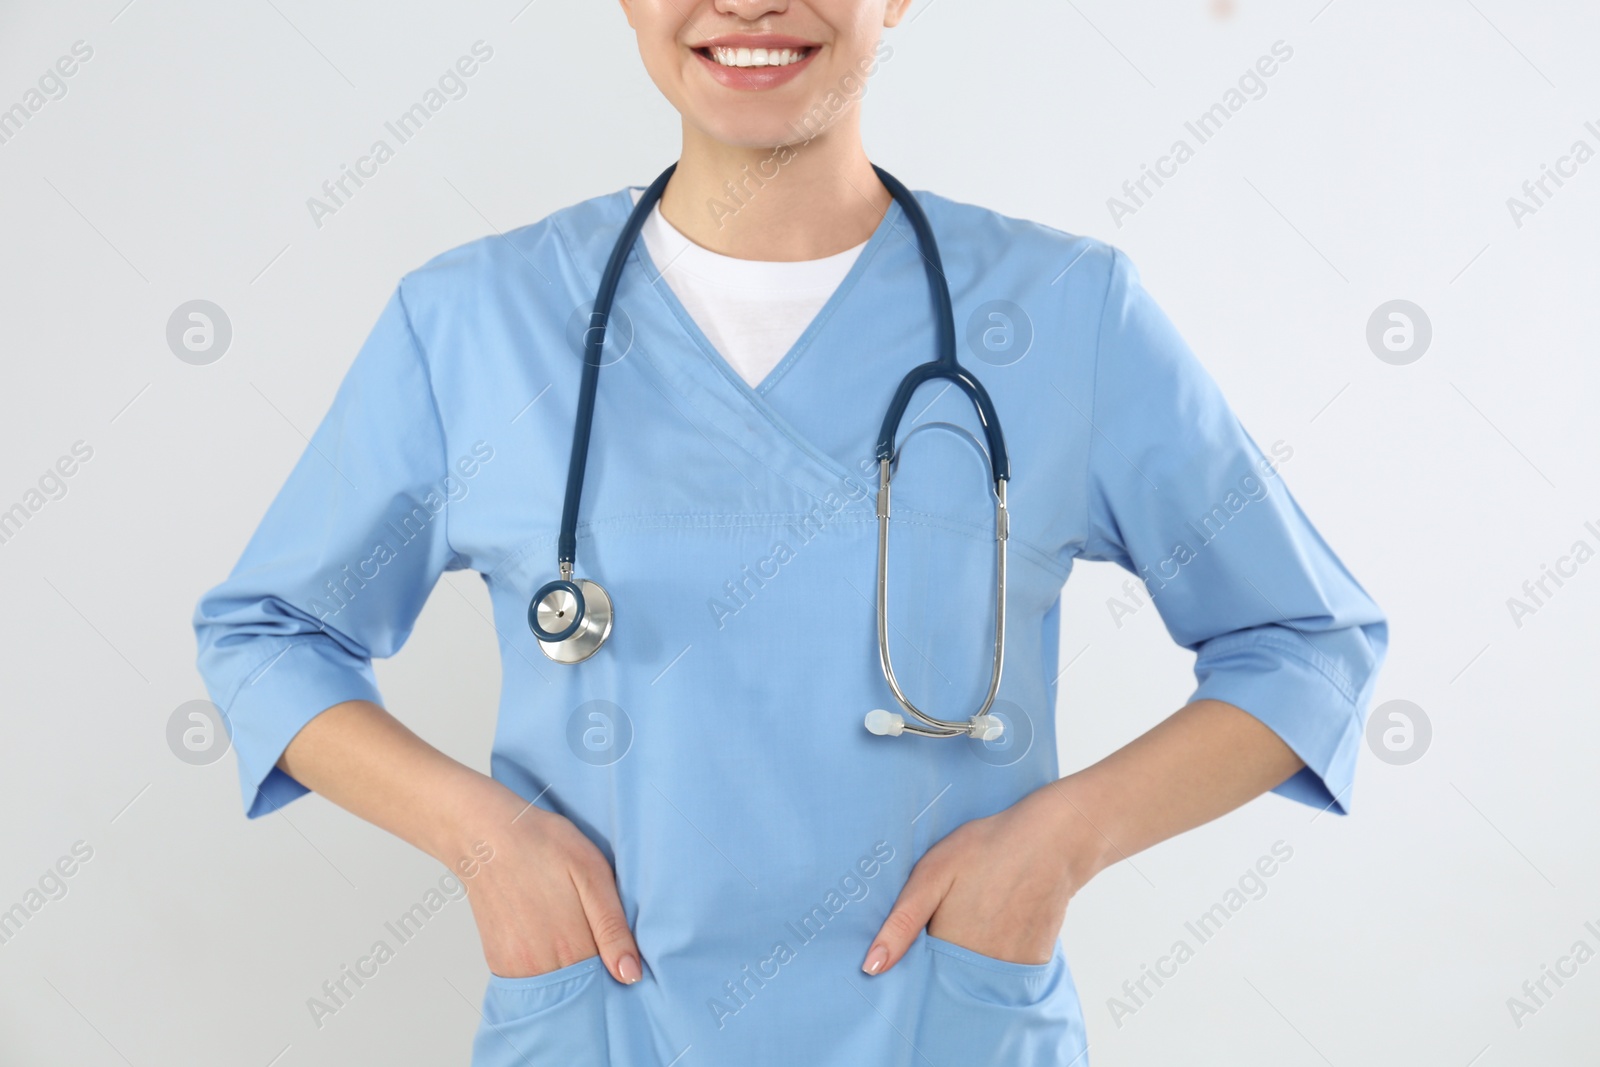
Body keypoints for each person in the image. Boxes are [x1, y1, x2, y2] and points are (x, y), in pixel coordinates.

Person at [192, 1, 1387, 1064]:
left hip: (946, 1018)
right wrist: (485, 841)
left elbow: (1303, 641)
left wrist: (1059, 841)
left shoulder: (1067, 313)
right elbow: (268, 634)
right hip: (601, 1017)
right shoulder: (471, 322)